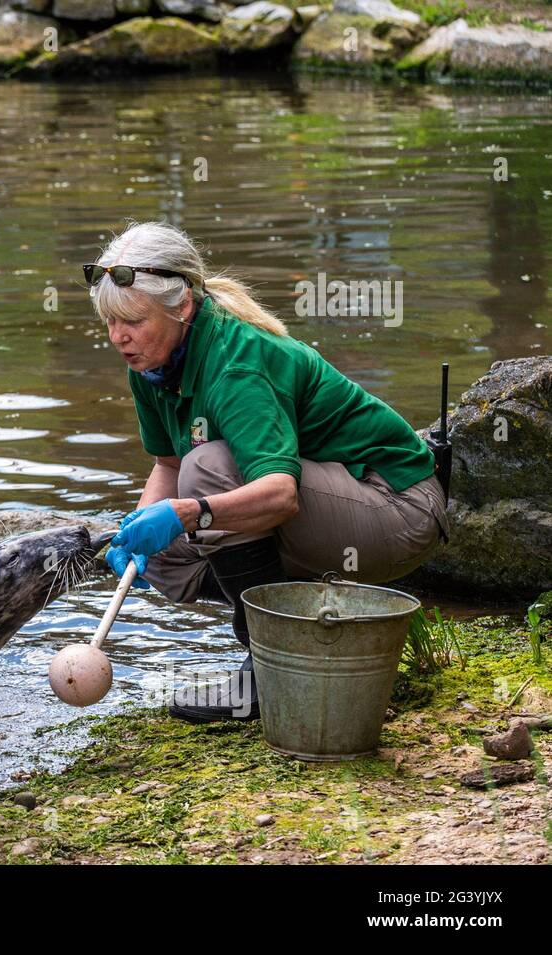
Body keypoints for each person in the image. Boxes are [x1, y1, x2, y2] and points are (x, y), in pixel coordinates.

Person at [90, 221, 448, 723]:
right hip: (335, 509)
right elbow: (166, 464)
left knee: (209, 471)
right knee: (158, 550)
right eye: (109, 322)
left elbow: (279, 495)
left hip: (397, 509)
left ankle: (270, 667)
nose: (118, 338)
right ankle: (303, 627)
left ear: (183, 305)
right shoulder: (152, 364)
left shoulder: (238, 365)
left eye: (133, 321)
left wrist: (190, 513)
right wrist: (139, 532)